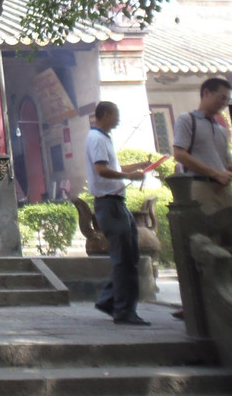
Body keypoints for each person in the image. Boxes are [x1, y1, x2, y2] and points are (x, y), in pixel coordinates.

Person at [172, 77, 232, 248]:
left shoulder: (221, 130)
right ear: (206, 93)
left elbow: (226, 162)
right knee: (210, 241)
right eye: (222, 97)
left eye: (228, 99)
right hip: (201, 188)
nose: (225, 103)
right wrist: (215, 173)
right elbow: (179, 154)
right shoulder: (187, 120)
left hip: (225, 190)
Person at [85, 101, 151, 326]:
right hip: (109, 204)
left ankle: (109, 300)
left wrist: (136, 168)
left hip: (116, 203)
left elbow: (113, 168)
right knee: (124, 258)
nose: (118, 120)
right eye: (116, 115)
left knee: (130, 256)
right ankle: (123, 310)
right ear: (105, 114)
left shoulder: (104, 139)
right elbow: (101, 170)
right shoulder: (96, 139)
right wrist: (130, 178)